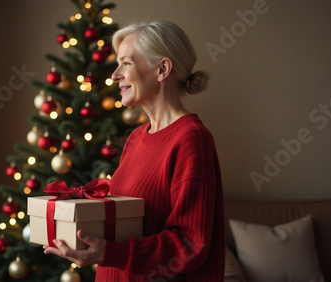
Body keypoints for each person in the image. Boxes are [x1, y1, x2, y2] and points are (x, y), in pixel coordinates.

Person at [44, 20, 225, 281]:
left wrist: (111, 252)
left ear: (162, 69)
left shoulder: (191, 139)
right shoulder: (137, 137)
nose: (115, 75)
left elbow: (189, 243)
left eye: (126, 63)